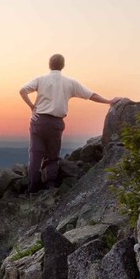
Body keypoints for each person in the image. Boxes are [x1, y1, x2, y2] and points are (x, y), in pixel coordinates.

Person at [19, 54, 122, 193]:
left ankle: (32, 188)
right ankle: (50, 187)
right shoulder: (70, 82)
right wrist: (109, 101)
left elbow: (22, 90)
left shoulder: (40, 79)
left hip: (39, 121)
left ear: (49, 64)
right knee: (52, 154)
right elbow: (91, 95)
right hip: (56, 123)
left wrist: (32, 107)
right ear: (63, 65)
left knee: (35, 154)